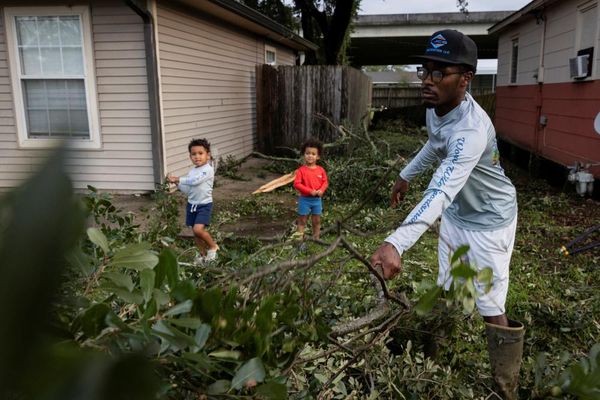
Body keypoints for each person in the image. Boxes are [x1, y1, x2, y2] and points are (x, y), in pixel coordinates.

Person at [369, 30, 523, 399]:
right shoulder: (437, 107)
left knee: (489, 304)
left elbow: (440, 191)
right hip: (457, 214)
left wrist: (395, 242)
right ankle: (436, 361)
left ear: (465, 80)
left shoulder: (470, 131)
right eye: (425, 70)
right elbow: (434, 143)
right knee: (449, 286)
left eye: (440, 73)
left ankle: (506, 388)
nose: (427, 80)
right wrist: (406, 174)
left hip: (489, 220)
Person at [168, 138, 219, 263]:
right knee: (195, 234)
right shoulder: (192, 171)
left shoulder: (208, 170)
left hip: (204, 205)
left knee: (198, 229)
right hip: (192, 205)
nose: (197, 157)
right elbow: (188, 189)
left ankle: (213, 246)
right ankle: (202, 256)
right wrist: (177, 183)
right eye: (193, 154)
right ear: (190, 156)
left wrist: (179, 178)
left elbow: (195, 181)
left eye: (200, 153)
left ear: (208, 155)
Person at [294, 138, 328, 240]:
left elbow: (325, 182)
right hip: (305, 200)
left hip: (317, 200)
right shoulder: (301, 170)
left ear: (318, 157)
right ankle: (299, 241)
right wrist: (310, 191)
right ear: (304, 155)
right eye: (307, 153)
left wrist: (321, 190)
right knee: (302, 221)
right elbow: (297, 184)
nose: (310, 156)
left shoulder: (321, 170)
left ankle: (316, 238)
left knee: (316, 220)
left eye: (313, 154)